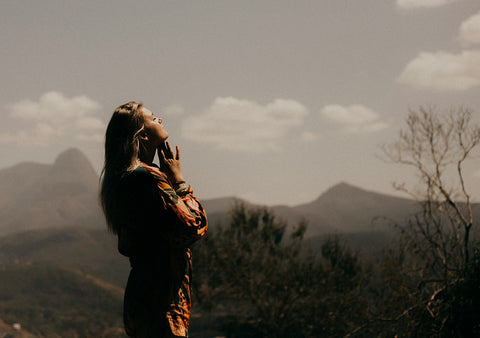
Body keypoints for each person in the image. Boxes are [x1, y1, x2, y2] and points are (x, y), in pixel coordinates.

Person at [100, 101, 207, 337]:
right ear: (143, 135)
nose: (160, 119)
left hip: (143, 297)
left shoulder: (125, 179)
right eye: (153, 118)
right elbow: (193, 226)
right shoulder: (147, 178)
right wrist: (179, 182)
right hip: (162, 301)